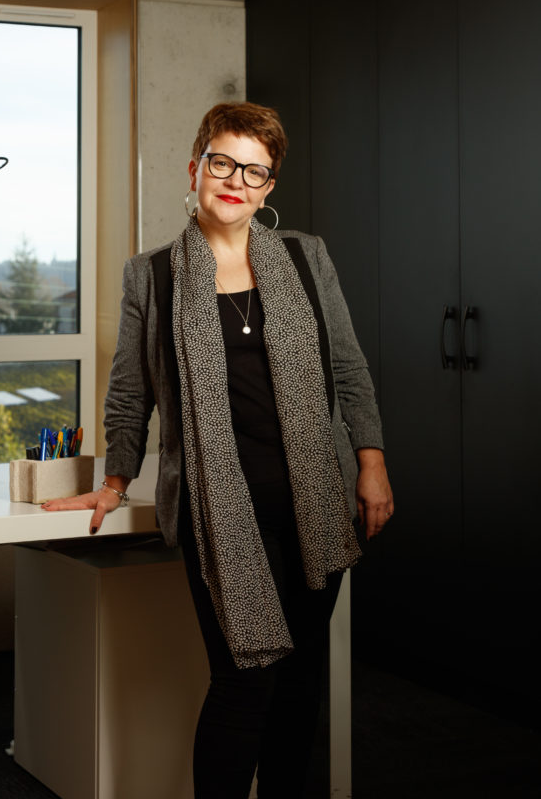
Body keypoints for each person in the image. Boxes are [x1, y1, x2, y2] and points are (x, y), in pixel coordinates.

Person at [43, 102, 394, 799]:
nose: (235, 180)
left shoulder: (306, 256)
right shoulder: (152, 275)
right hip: (220, 510)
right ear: (195, 168)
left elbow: (348, 367)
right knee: (243, 682)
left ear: (268, 187)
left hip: (315, 501)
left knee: (299, 681)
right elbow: (129, 392)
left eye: (253, 170)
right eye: (223, 162)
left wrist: (371, 462)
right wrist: (114, 482)